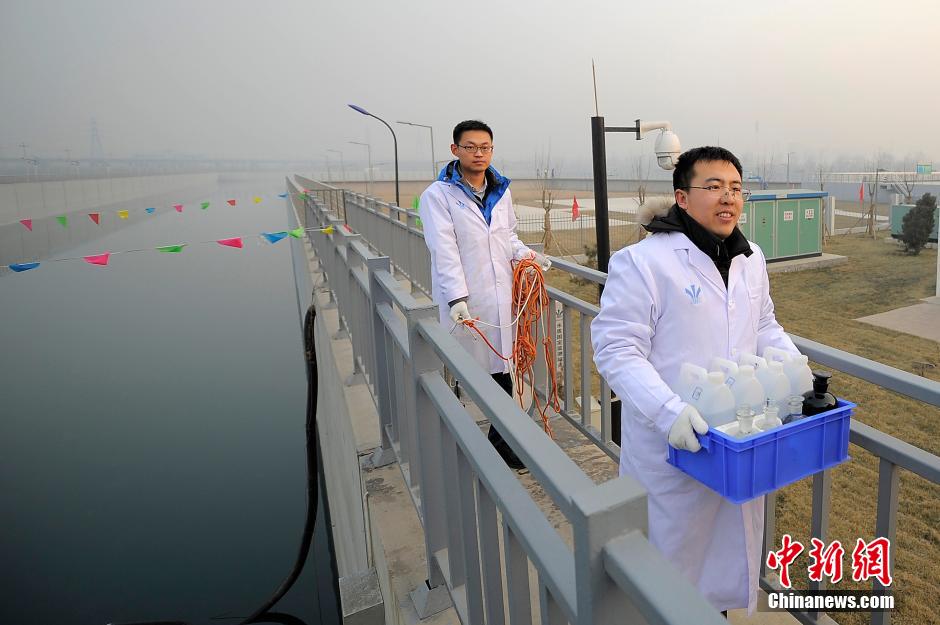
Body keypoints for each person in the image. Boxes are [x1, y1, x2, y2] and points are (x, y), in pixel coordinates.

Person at [591, 146, 800, 614]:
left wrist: (796, 371)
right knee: (671, 577)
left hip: (737, 436)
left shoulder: (751, 257)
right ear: (682, 198)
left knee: (723, 569)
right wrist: (670, 413)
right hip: (672, 444)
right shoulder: (643, 262)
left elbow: (764, 325)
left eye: (736, 188)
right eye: (714, 187)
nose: (728, 197)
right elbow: (616, 349)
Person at [419, 120, 551, 470]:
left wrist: (529, 256)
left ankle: (502, 443)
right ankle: (499, 445)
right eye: (471, 147)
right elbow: (444, 250)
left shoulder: (501, 191)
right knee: (483, 376)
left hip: (501, 300)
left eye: (485, 147)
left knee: (503, 373)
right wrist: (456, 298)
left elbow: (507, 237)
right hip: (468, 302)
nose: (479, 153)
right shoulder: (438, 196)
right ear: (455, 150)